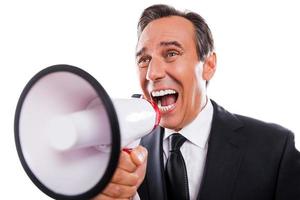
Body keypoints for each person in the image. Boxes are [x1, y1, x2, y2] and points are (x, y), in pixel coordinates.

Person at [93, 4, 300, 200]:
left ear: (209, 65)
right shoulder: (121, 154)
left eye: (171, 53)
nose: (152, 73)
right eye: (144, 60)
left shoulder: (275, 148)